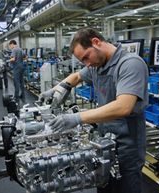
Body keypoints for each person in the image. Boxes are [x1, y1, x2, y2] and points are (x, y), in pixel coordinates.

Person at [39, 28, 148, 193]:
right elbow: (76, 77)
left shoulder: (130, 63)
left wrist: (77, 118)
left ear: (96, 42)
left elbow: (123, 106)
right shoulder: (97, 65)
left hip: (127, 147)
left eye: (86, 57)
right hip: (103, 142)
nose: (87, 64)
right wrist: (57, 89)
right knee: (104, 186)